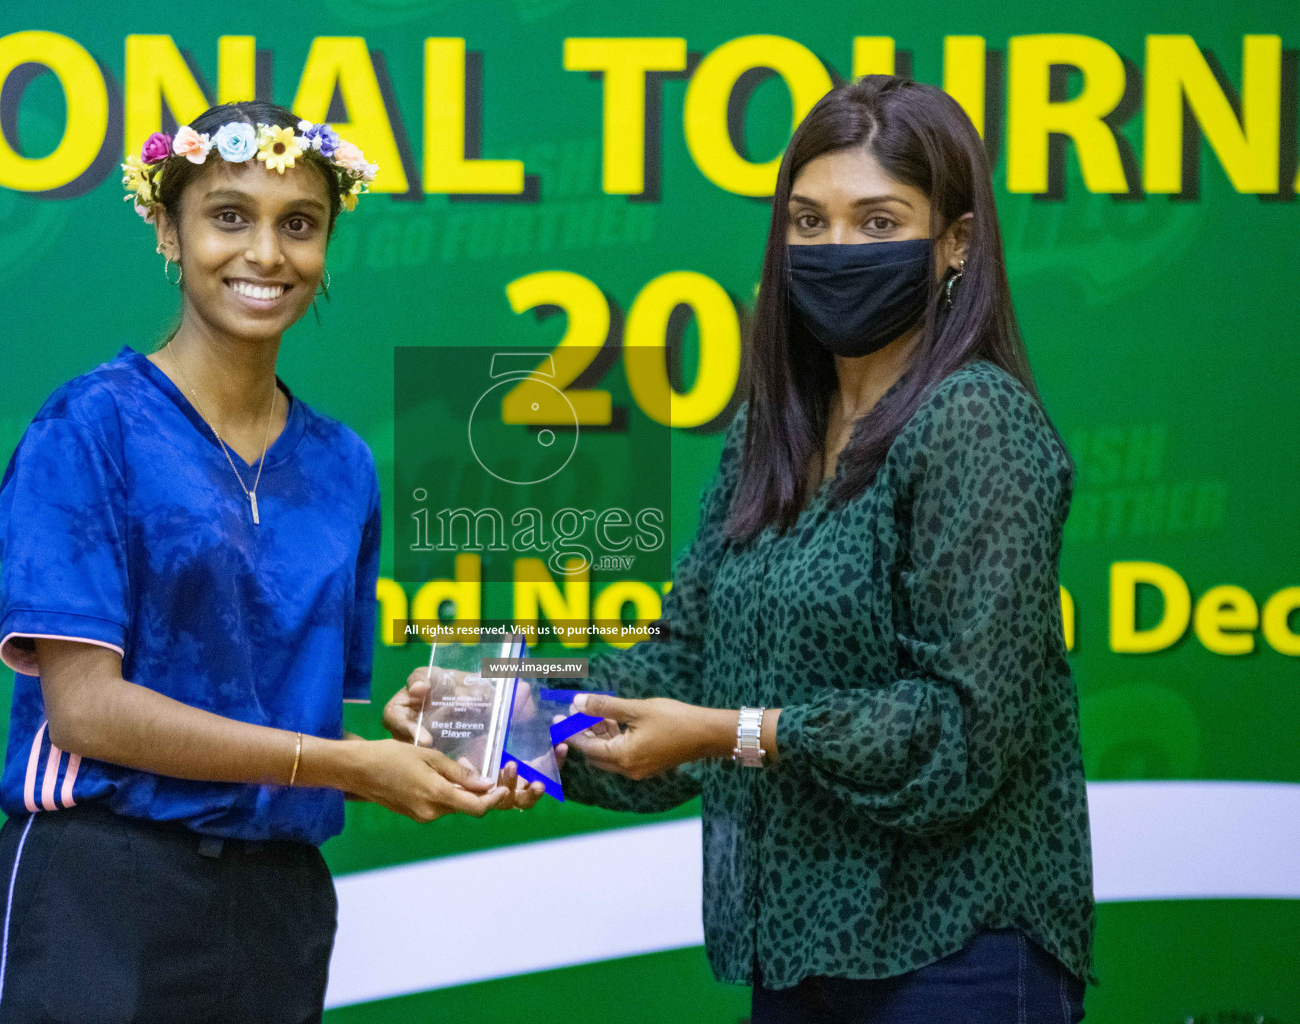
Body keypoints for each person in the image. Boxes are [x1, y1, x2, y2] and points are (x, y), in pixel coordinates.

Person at [386, 75, 1094, 1022]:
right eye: (809, 221)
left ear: (956, 241)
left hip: (953, 955)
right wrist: (493, 710)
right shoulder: (775, 428)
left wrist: (736, 733)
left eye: (878, 223)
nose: (836, 250)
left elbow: (959, 735)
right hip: (798, 961)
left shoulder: (974, 421)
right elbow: (682, 669)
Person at [0, 101, 540, 1024]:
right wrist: (348, 767)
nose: (266, 255)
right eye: (229, 216)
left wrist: (422, 734)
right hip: (102, 893)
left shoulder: (344, 464)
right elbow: (86, 711)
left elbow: (295, 714)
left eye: (299, 225)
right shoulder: (89, 427)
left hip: (280, 908)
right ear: (167, 228)